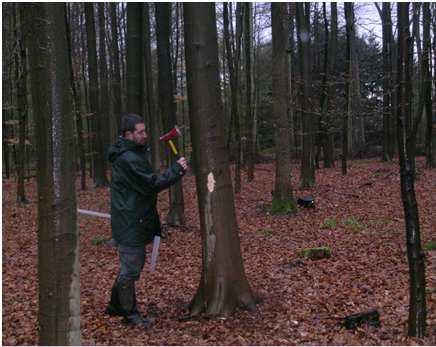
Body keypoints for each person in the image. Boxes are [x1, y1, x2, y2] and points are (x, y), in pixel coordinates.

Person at [105, 113, 188, 328]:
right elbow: (151, 183)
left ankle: (115, 306)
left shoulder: (131, 153)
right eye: (140, 132)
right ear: (128, 134)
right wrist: (177, 169)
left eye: (145, 130)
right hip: (130, 221)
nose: (145, 135)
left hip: (133, 218)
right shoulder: (128, 159)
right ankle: (130, 316)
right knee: (131, 269)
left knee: (130, 266)